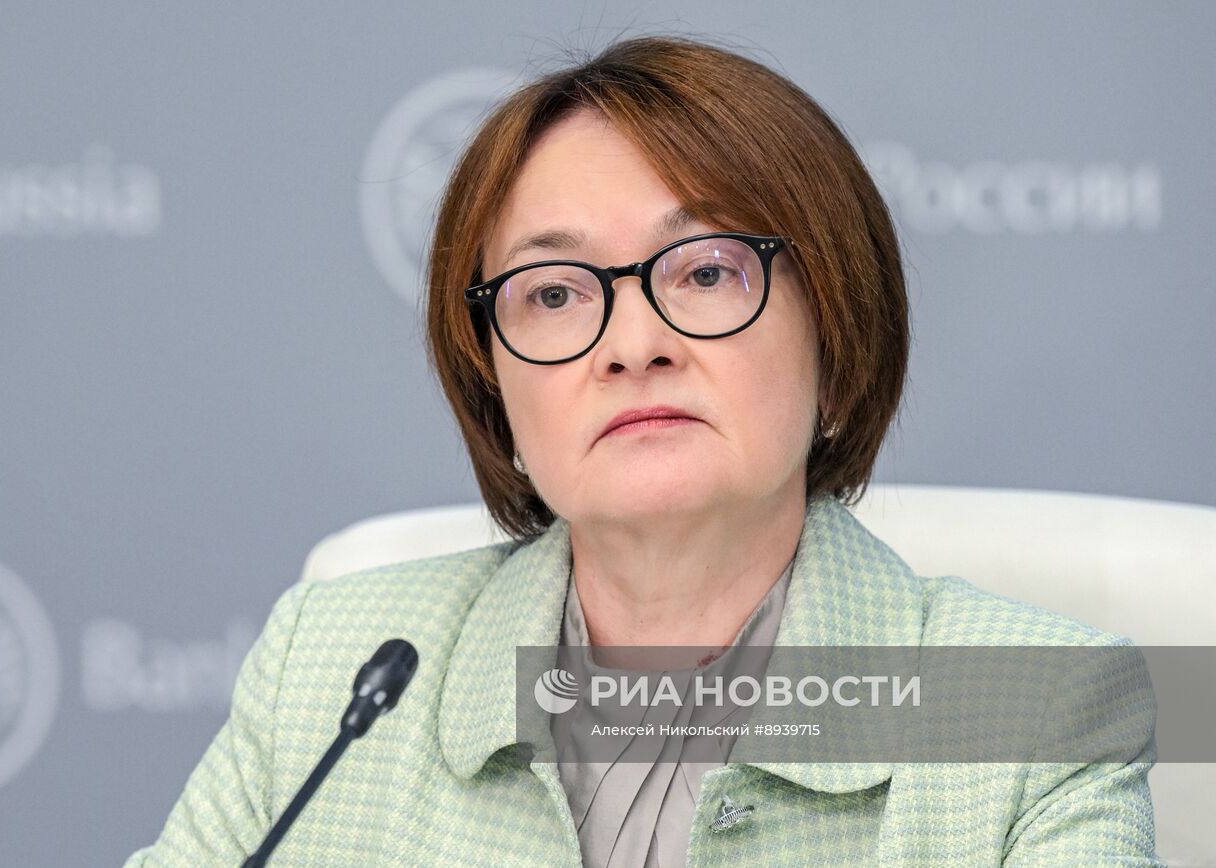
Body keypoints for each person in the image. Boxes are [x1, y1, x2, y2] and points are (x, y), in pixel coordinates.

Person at [123, 35, 1158, 867]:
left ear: (836, 338)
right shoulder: (330, 670)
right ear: (494, 388)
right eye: (554, 293)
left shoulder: (1041, 710)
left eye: (704, 272)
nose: (632, 345)